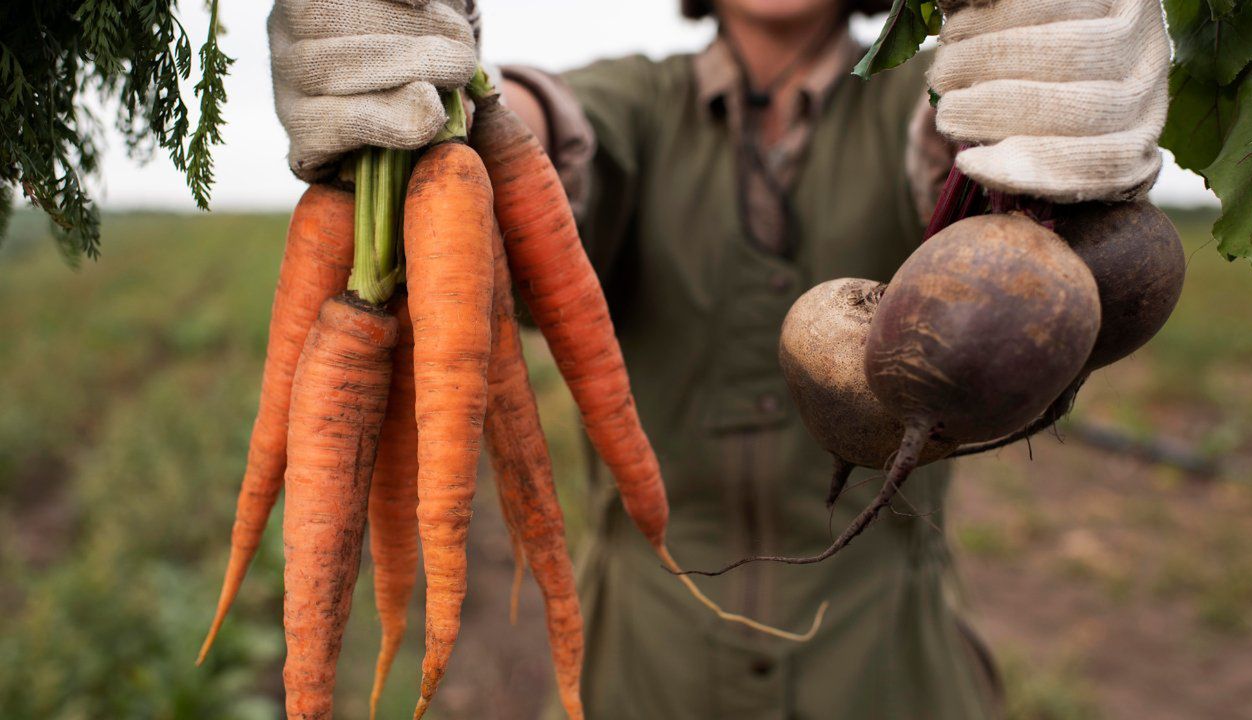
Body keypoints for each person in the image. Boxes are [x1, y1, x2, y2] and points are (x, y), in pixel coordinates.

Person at [268, 1, 1168, 717]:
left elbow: (949, 155)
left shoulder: (915, 97)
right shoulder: (636, 98)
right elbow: (560, 133)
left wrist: (1027, 110)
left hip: (887, 662)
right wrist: (449, 106)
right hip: (643, 664)